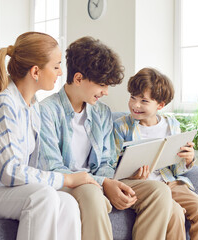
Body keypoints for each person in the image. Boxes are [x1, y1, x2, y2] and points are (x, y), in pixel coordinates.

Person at [0, 32, 100, 240]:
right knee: (42, 197)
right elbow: (11, 172)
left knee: (68, 203)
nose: (61, 72)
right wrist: (67, 179)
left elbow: (31, 170)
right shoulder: (3, 104)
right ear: (36, 71)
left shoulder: (32, 107)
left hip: (2, 193)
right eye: (56, 66)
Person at [38, 36, 174, 240]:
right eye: (102, 84)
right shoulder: (46, 112)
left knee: (159, 191)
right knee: (92, 194)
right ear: (78, 78)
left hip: (99, 180)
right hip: (70, 183)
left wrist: (109, 181)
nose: (106, 92)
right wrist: (103, 184)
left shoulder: (102, 112)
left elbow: (107, 161)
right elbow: (53, 168)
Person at [113, 67, 198, 240]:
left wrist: (189, 159)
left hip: (171, 182)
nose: (135, 105)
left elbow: (177, 167)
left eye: (144, 101)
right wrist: (132, 175)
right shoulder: (121, 126)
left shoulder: (171, 125)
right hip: (143, 186)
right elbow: (113, 165)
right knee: (174, 213)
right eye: (133, 97)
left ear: (160, 105)